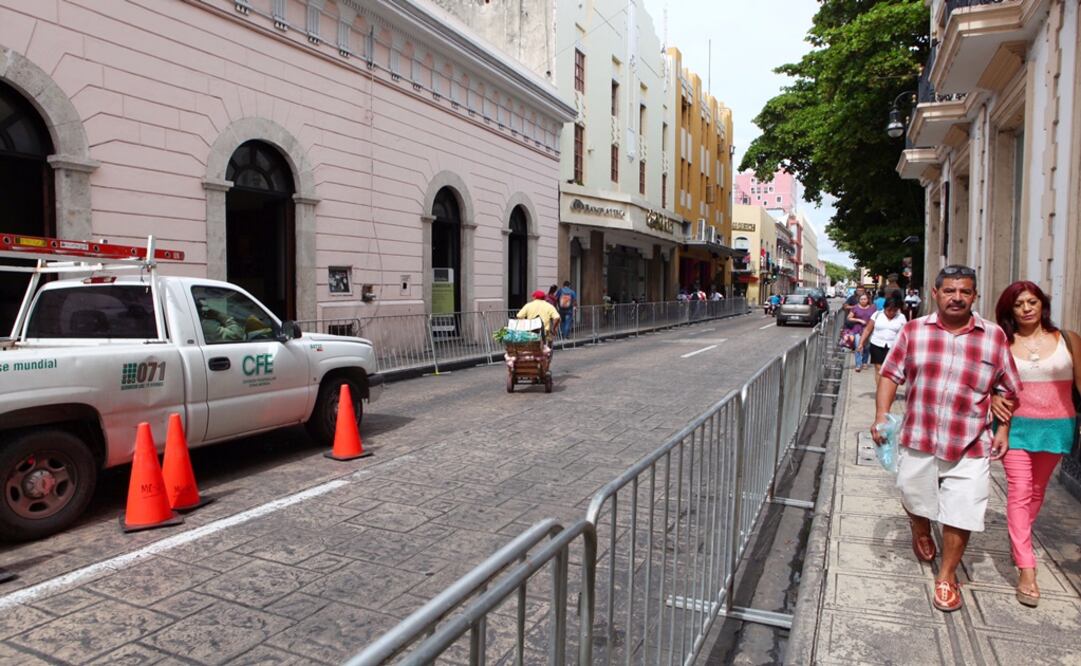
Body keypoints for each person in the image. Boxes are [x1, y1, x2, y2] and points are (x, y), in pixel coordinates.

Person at [872, 265, 1021, 613]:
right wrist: (881, 414)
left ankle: (946, 576)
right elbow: (891, 374)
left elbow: (1009, 387)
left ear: (975, 296)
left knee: (962, 511)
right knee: (913, 495)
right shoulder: (914, 331)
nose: (957, 297)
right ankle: (920, 528)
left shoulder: (994, 336)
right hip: (919, 436)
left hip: (969, 442)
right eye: (950, 291)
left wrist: (1003, 429)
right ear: (935, 294)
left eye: (965, 291)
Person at [989, 281, 1080, 607]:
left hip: (1056, 429)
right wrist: (991, 403)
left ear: (1043, 305)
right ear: (1009, 310)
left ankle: (1018, 540)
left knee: (1037, 492)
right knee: (1020, 490)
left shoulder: (1067, 340)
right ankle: (1027, 569)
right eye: (1019, 304)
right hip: (1014, 429)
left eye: (1032, 301)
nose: (1027, 308)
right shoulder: (1001, 342)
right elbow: (987, 381)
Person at [858, 293, 907, 388]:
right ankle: (881, 390)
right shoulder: (877, 315)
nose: (892, 313)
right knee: (879, 368)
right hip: (877, 344)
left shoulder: (901, 317)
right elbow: (868, 329)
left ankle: (889, 390)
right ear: (884, 308)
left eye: (894, 310)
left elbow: (905, 334)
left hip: (893, 346)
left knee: (891, 370)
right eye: (889, 310)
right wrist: (861, 343)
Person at [846, 293, 876, 371]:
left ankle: (864, 362)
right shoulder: (855, 308)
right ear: (859, 300)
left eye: (864, 299)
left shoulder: (872, 308)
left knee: (866, 347)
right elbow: (849, 317)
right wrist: (858, 320)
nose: (863, 301)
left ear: (868, 300)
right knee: (858, 346)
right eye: (861, 299)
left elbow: (876, 318)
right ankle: (858, 364)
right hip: (857, 330)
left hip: (869, 330)